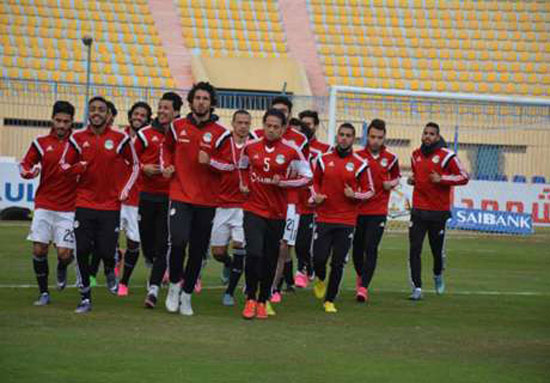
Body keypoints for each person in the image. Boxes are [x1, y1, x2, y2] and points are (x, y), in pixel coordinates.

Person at [60, 96, 139, 313]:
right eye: (93, 109)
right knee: (82, 250)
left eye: (101, 110)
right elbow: (64, 165)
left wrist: (124, 190)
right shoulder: (77, 138)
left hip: (110, 205)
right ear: (88, 113)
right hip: (84, 203)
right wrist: (78, 168)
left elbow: (135, 165)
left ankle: (111, 270)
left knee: (106, 250)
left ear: (108, 114)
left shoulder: (120, 138)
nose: (96, 113)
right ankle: (85, 296)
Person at [161, 82, 230, 316]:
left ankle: (187, 295)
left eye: (205, 98)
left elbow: (228, 165)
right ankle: (173, 287)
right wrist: (167, 165)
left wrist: (209, 161)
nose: (201, 102)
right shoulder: (176, 126)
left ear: (211, 103)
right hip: (180, 194)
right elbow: (166, 149)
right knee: (178, 241)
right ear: (190, 102)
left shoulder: (222, 134)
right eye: (197, 98)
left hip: (207, 200)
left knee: (198, 249)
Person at [239, 108, 312, 319]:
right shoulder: (250, 147)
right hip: (253, 208)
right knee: (254, 253)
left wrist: (285, 183)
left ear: (283, 129)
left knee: (271, 257)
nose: (271, 130)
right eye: (268, 126)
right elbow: (242, 167)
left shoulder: (291, 151)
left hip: (277, 213)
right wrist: (244, 184)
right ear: (263, 125)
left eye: (275, 127)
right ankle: (250, 298)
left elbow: (307, 177)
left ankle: (263, 299)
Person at [310, 123, 374, 313]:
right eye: (341, 134)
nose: (344, 138)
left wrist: (355, 195)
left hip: (346, 221)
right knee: (318, 258)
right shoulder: (323, 159)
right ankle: (320, 278)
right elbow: (312, 182)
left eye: (348, 135)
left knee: (338, 262)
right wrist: (316, 195)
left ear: (353, 139)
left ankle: (329, 300)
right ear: (337, 136)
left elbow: (370, 191)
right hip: (324, 217)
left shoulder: (360, 164)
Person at [20, 101, 77, 306]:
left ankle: (63, 266)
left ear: (72, 123)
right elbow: (26, 164)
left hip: (68, 208)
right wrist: (28, 172)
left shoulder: (78, 144)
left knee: (64, 254)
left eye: (66, 122)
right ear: (52, 119)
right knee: (39, 250)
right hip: (44, 204)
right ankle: (44, 293)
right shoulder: (40, 142)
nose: (62, 125)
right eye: (58, 120)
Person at [407, 122, 469, 300]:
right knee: (414, 249)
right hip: (418, 210)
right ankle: (417, 288)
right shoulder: (415, 155)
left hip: (438, 212)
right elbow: (417, 176)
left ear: (438, 136)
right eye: (425, 133)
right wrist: (413, 180)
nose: (427, 136)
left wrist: (442, 179)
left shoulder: (447, 155)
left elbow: (464, 177)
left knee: (436, 251)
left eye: (432, 134)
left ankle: (437, 274)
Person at [198, 109, 252, 306]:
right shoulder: (223, 141)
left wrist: (249, 186)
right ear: (233, 123)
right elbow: (214, 162)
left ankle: (229, 292)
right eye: (240, 122)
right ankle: (228, 264)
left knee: (240, 245)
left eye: (247, 123)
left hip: (244, 206)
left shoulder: (254, 145)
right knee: (218, 252)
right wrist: (211, 161)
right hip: (221, 204)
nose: (243, 126)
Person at [137, 93, 182, 308]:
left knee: (164, 244)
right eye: (160, 107)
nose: (162, 111)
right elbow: (130, 162)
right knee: (147, 243)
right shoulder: (145, 134)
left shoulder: (180, 135)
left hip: (170, 197)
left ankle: (153, 289)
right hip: (146, 195)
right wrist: (144, 168)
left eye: (167, 108)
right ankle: (153, 262)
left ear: (176, 112)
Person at [353, 119, 400, 302]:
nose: (375, 141)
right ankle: (361, 275)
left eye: (379, 137)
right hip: (357, 210)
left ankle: (363, 287)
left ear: (384, 137)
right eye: (372, 137)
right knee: (357, 249)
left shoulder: (391, 159)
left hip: (378, 210)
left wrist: (392, 183)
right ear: (367, 136)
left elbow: (397, 177)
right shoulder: (357, 157)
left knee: (371, 248)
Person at [116, 101, 153, 296]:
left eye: (143, 115)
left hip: (137, 200)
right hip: (116, 197)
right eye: (136, 114)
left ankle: (124, 282)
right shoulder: (120, 137)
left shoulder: (149, 139)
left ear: (148, 119)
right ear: (130, 116)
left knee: (133, 243)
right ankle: (115, 256)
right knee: (106, 238)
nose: (138, 117)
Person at [294, 110, 331, 287]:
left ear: (315, 126)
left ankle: (306, 269)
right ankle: (303, 269)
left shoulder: (324, 150)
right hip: (295, 200)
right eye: (302, 125)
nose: (305, 128)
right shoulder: (292, 147)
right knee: (299, 242)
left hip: (316, 203)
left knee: (313, 243)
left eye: (309, 124)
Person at [89, 100, 119, 286]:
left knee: (106, 243)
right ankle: (91, 275)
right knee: (91, 242)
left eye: (107, 113)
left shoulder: (120, 139)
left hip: (115, 200)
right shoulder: (85, 138)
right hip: (90, 200)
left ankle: (109, 267)